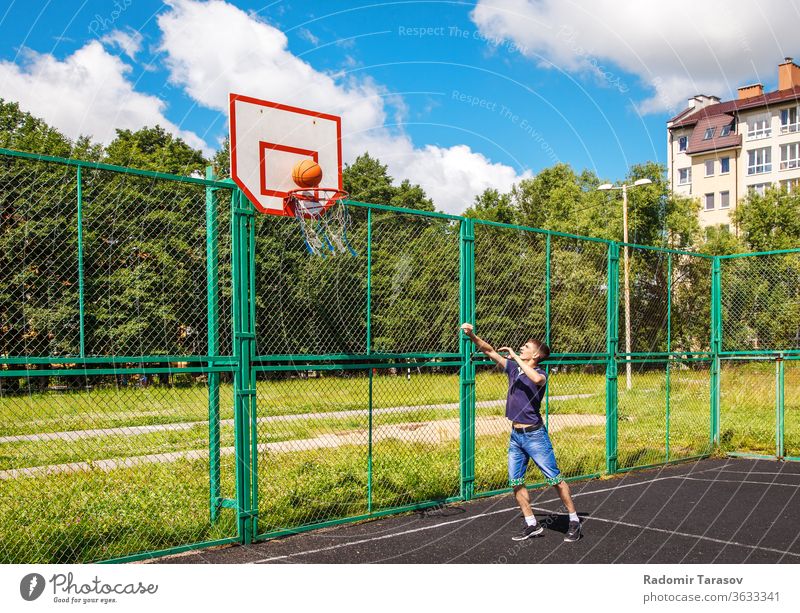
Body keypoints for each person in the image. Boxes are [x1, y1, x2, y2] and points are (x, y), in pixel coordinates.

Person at [461, 322, 581, 542]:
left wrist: (516, 357)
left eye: (526, 347)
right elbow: (489, 350)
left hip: (535, 435)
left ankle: (574, 520)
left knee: (554, 479)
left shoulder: (540, 373)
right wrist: (472, 335)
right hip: (516, 436)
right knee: (516, 481)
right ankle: (531, 524)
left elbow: (535, 380)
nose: (522, 348)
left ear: (534, 354)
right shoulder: (513, 368)